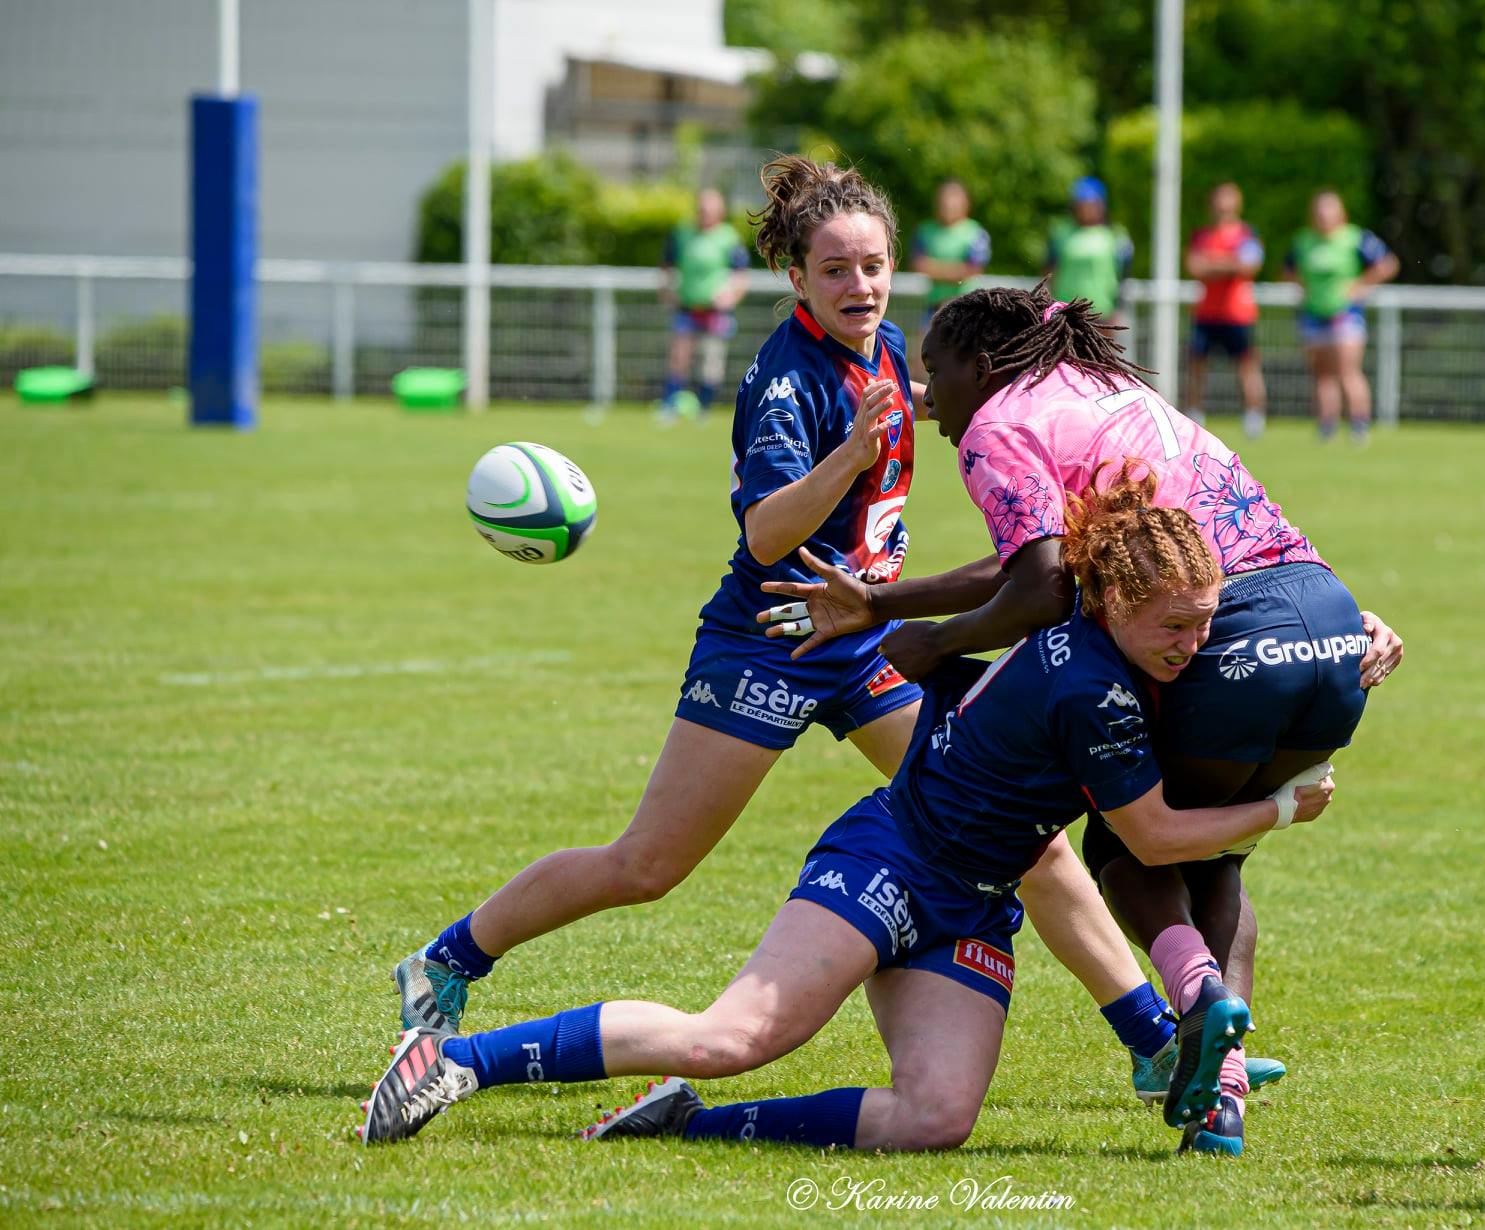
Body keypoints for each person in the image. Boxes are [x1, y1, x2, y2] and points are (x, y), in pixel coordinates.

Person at [392, 157, 1194, 1110]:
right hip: (768, 641)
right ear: (796, 277)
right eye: (836, 270)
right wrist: (850, 454)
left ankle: (1152, 1041)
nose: (860, 286)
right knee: (648, 865)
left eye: (874, 266)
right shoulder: (785, 378)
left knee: (1027, 838)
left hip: (864, 641)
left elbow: (919, 404)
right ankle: (448, 960)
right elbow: (767, 533)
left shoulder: (884, 345)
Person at [359, 474, 1339, 1154]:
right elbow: (1154, 838)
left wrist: (1354, 635)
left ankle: (684, 1123)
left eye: (1206, 621)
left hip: (974, 901)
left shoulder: (1097, 629)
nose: (1197, 644)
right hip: (893, 861)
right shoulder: (1094, 689)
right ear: (1116, 601)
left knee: (935, 1120)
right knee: (734, 1037)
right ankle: (454, 1063)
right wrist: (1280, 807)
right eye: (1178, 626)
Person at [755, 285, 1403, 1152]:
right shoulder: (1104, 388)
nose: (932, 400)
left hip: (1220, 631)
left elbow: (1043, 586)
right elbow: (1046, 557)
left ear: (982, 365)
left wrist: (934, 644)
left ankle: (1204, 1021)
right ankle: (1220, 1095)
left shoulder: (996, 424)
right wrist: (881, 602)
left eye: (936, 373)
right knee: (1218, 853)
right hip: (1327, 618)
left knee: (1130, 842)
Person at [1283, 190, 1398, 444]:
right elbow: (1288, 269)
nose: (1324, 216)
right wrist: (1305, 288)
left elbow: (1387, 263)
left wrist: (1360, 286)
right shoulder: (1304, 241)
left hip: (1345, 315)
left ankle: (1359, 423)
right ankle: (1327, 424)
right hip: (1314, 314)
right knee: (1322, 374)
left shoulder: (1355, 238)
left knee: (1348, 371)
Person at [658, 187, 751, 421]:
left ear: (719, 212)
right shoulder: (682, 233)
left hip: (715, 312)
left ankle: (703, 408)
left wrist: (730, 296)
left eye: (709, 210)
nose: (704, 214)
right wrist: (668, 292)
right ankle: (670, 405)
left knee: (711, 363)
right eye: (701, 209)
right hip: (687, 308)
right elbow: (667, 266)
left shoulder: (729, 237)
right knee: (678, 359)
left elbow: (741, 275)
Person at [1184, 183, 1268, 437]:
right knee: (1196, 365)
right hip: (1206, 313)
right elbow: (1195, 267)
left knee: (1246, 366)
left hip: (1237, 314)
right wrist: (1230, 263)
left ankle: (1254, 415)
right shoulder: (1202, 236)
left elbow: (1249, 266)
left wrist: (1213, 264)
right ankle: (1195, 414)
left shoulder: (1247, 235)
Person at [909, 179, 991, 339]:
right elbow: (918, 264)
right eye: (945, 199)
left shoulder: (975, 232)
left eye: (954, 199)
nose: (948, 204)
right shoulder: (924, 230)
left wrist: (934, 268)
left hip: (966, 307)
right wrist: (956, 270)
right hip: (933, 307)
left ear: (966, 203)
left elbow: (972, 269)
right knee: (923, 350)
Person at [1046, 177, 1133, 326]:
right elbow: (1048, 271)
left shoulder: (1116, 235)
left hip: (1101, 312)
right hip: (1064, 311)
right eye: (1081, 204)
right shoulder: (1060, 233)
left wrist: (1118, 309)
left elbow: (1124, 276)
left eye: (1090, 205)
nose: (1085, 210)